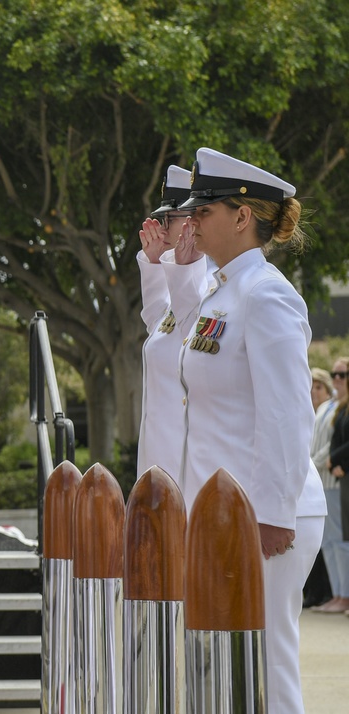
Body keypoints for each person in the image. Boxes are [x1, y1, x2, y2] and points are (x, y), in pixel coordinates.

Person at [177, 147, 326, 713]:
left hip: (263, 513)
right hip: (223, 512)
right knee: (224, 668)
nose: (191, 219)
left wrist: (272, 513)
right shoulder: (223, 291)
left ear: (242, 217)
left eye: (205, 208)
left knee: (265, 666)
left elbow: (288, 415)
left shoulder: (266, 294)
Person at [135, 164, 208, 482]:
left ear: (192, 222)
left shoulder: (211, 284)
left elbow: (189, 324)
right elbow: (158, 323)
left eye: (169, 219)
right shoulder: (181, 282)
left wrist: (177, 265)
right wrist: (153, 264)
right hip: (160, 464)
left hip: (188, 470)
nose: (160, 229)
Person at [308, 364, 341, 609]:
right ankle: (336, 595)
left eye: (318, 386)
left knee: (337, 540)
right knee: (328, 542)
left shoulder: (334, 408)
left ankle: (341, 594)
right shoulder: (320, 410)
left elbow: (330, 445)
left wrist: (309, 463)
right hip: (319, 479)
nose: (313, 391)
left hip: (330, 479)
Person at [324, 359, 349, 614]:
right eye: (335, 374)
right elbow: (334, 441)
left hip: (344, 476)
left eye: (343, 374)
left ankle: (345, 595)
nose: (338, 379)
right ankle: (339, 593)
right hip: (336, 475)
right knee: (333, 540)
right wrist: (333, 462)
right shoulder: (340, 408)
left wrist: (337, 460)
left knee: (343, 540)